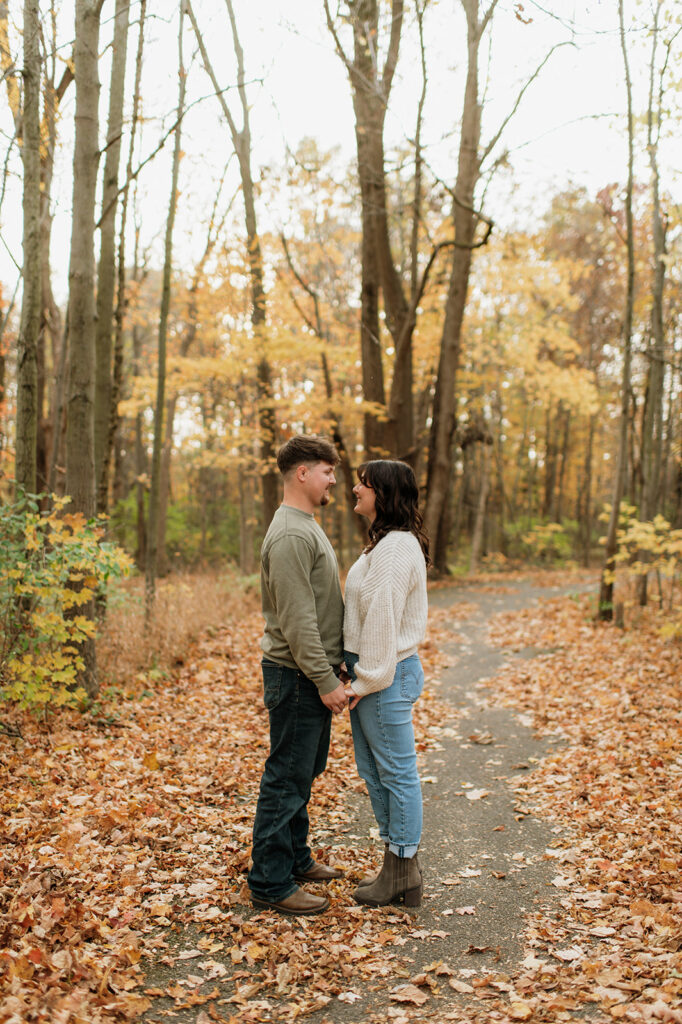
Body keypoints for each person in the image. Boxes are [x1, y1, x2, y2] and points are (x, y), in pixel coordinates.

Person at [247, 435, 349, 916]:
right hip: (296, 675)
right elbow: (297, 619)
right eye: (328, 470)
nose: (334, 479)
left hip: (310, 671)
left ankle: (296, 858)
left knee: (302, 772)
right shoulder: (290, 534)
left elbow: (320, 607)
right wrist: (325, 681)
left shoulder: (304, 525)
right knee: (286, 777)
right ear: (303, 474)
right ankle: (269, 881)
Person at [343, 459, 429, 907]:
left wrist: (364, 681)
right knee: (377, 772)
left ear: (385, 492)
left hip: (384, 675)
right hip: (377, 670)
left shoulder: (395, 548)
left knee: (396, 774)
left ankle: (401, 868)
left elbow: (381, 619)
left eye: (364, 483)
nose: (356, 489)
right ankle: (401, 871)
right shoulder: (384, 544)